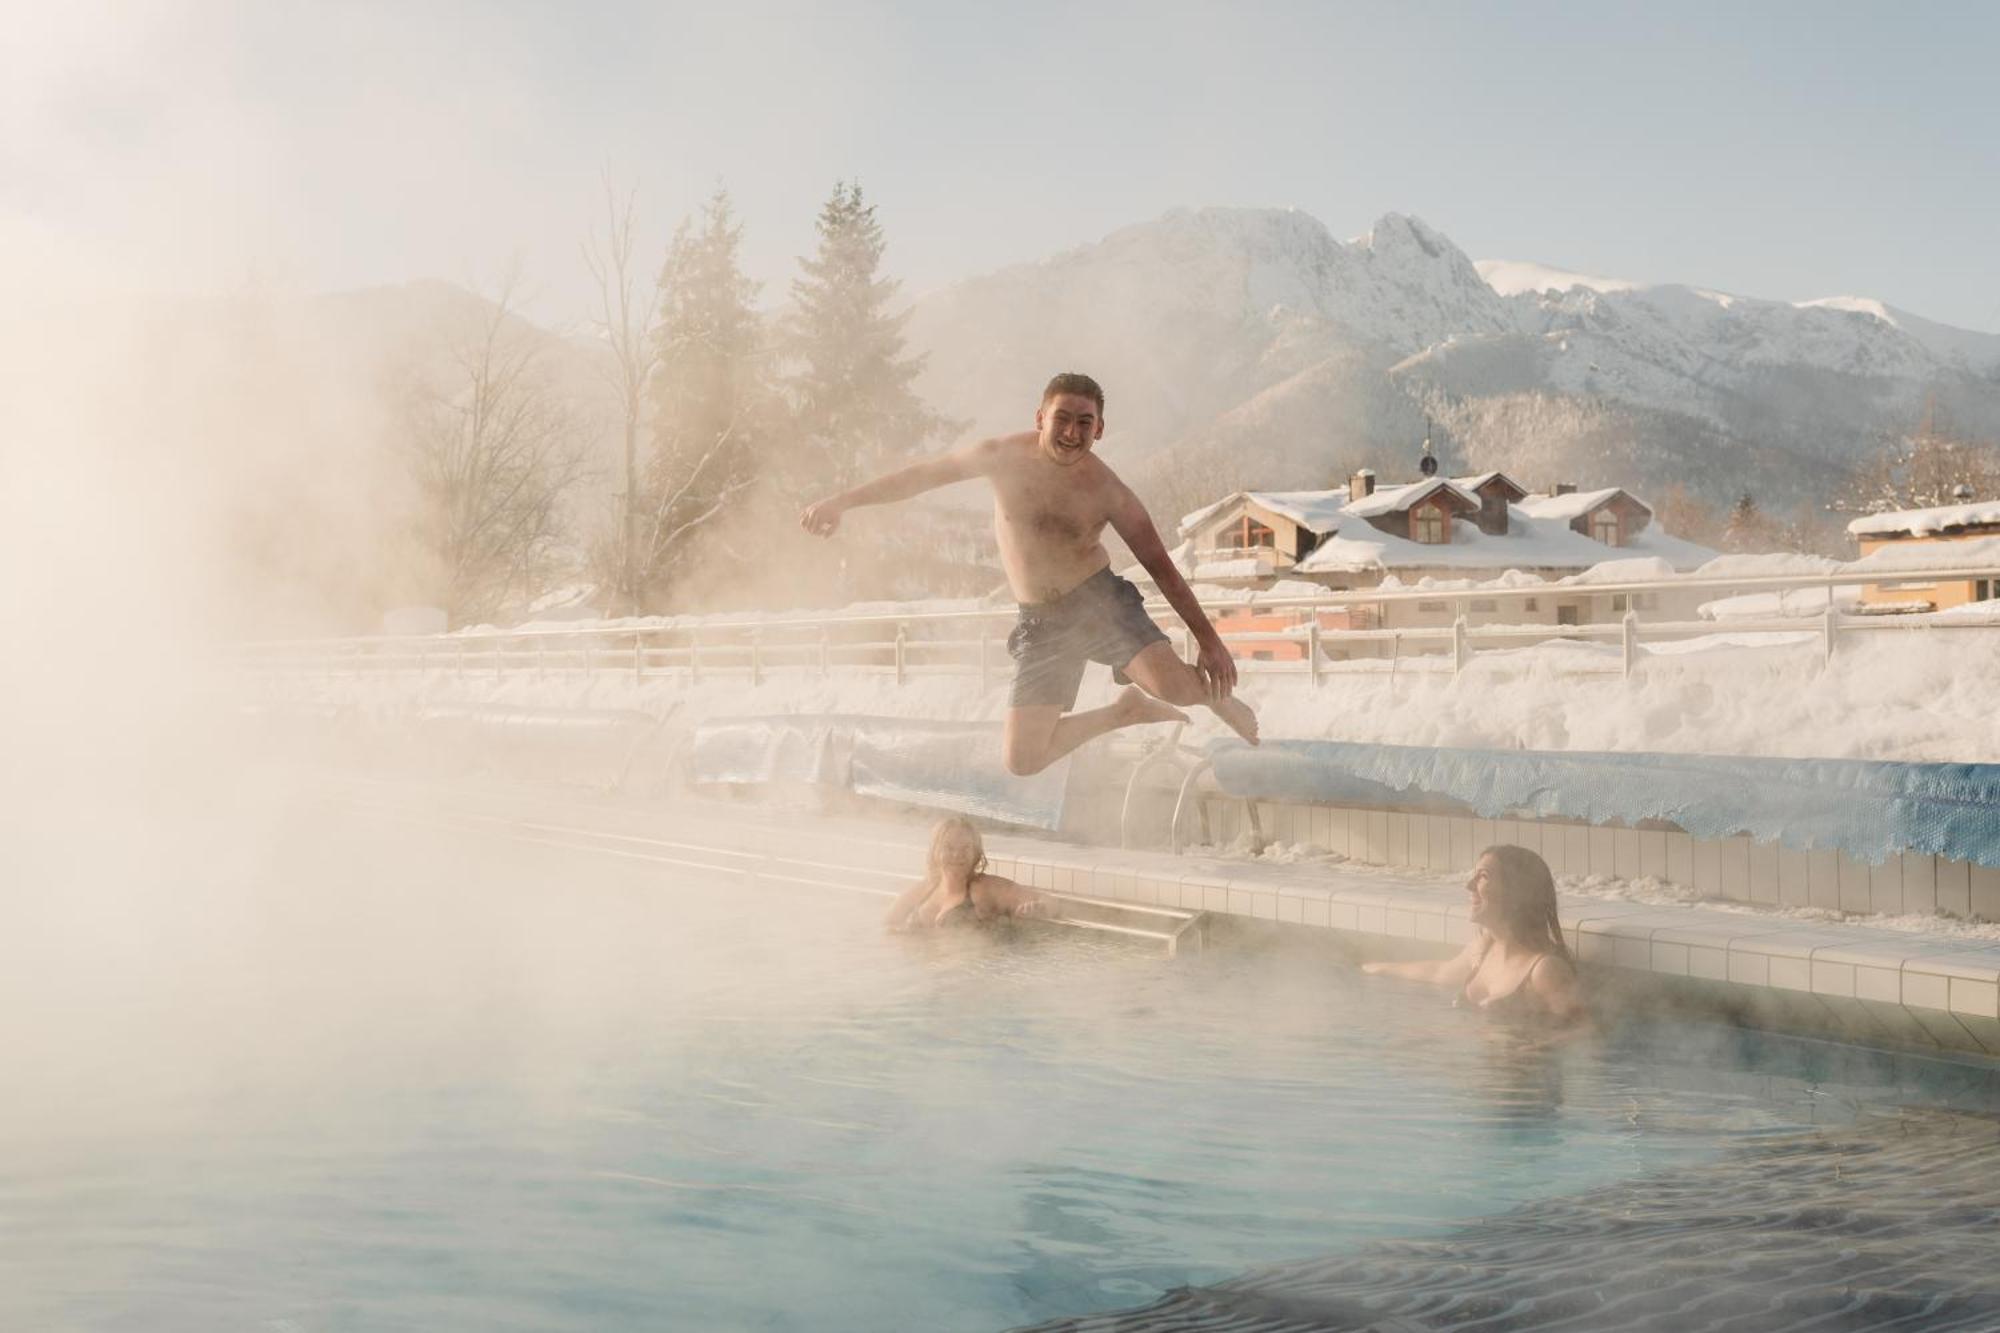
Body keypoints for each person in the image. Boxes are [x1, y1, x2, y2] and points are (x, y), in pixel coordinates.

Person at [800, 372, 1259, 777]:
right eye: (1063, 418)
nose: (1071, 432)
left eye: (1085, 422)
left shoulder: (1109, 492)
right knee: (1023, 759)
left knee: (1176, 688)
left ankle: (1215, 699)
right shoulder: (1000, 457)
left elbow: (1165, 571)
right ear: (1040, 417)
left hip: (1098, 602)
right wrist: (843, 501)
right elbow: (920, 477)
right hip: (1041, 621)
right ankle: (1124, 712)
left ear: (1100, 429)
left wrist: (1210, 642)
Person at [1363, 845, 1587, 1026]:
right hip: (1485, 1074)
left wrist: (1533, 1049)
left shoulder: (1543, 970)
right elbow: (1438, 972)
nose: (1469, 886)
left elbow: (1583, 1031)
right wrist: (1379, 967)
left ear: (1516, 891)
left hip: (1523, 1077)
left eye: (1483, 877)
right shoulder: (1484, 949)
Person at [885, 817, 1055, 931]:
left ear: (976, 853)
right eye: (949, 848)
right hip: (929, 974)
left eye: (965, 848)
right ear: (935, 851)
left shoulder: (985, 888)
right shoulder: (925, 889)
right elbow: (888, 925)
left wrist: (1039, 908)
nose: (957, 855)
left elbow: (1050, 901)